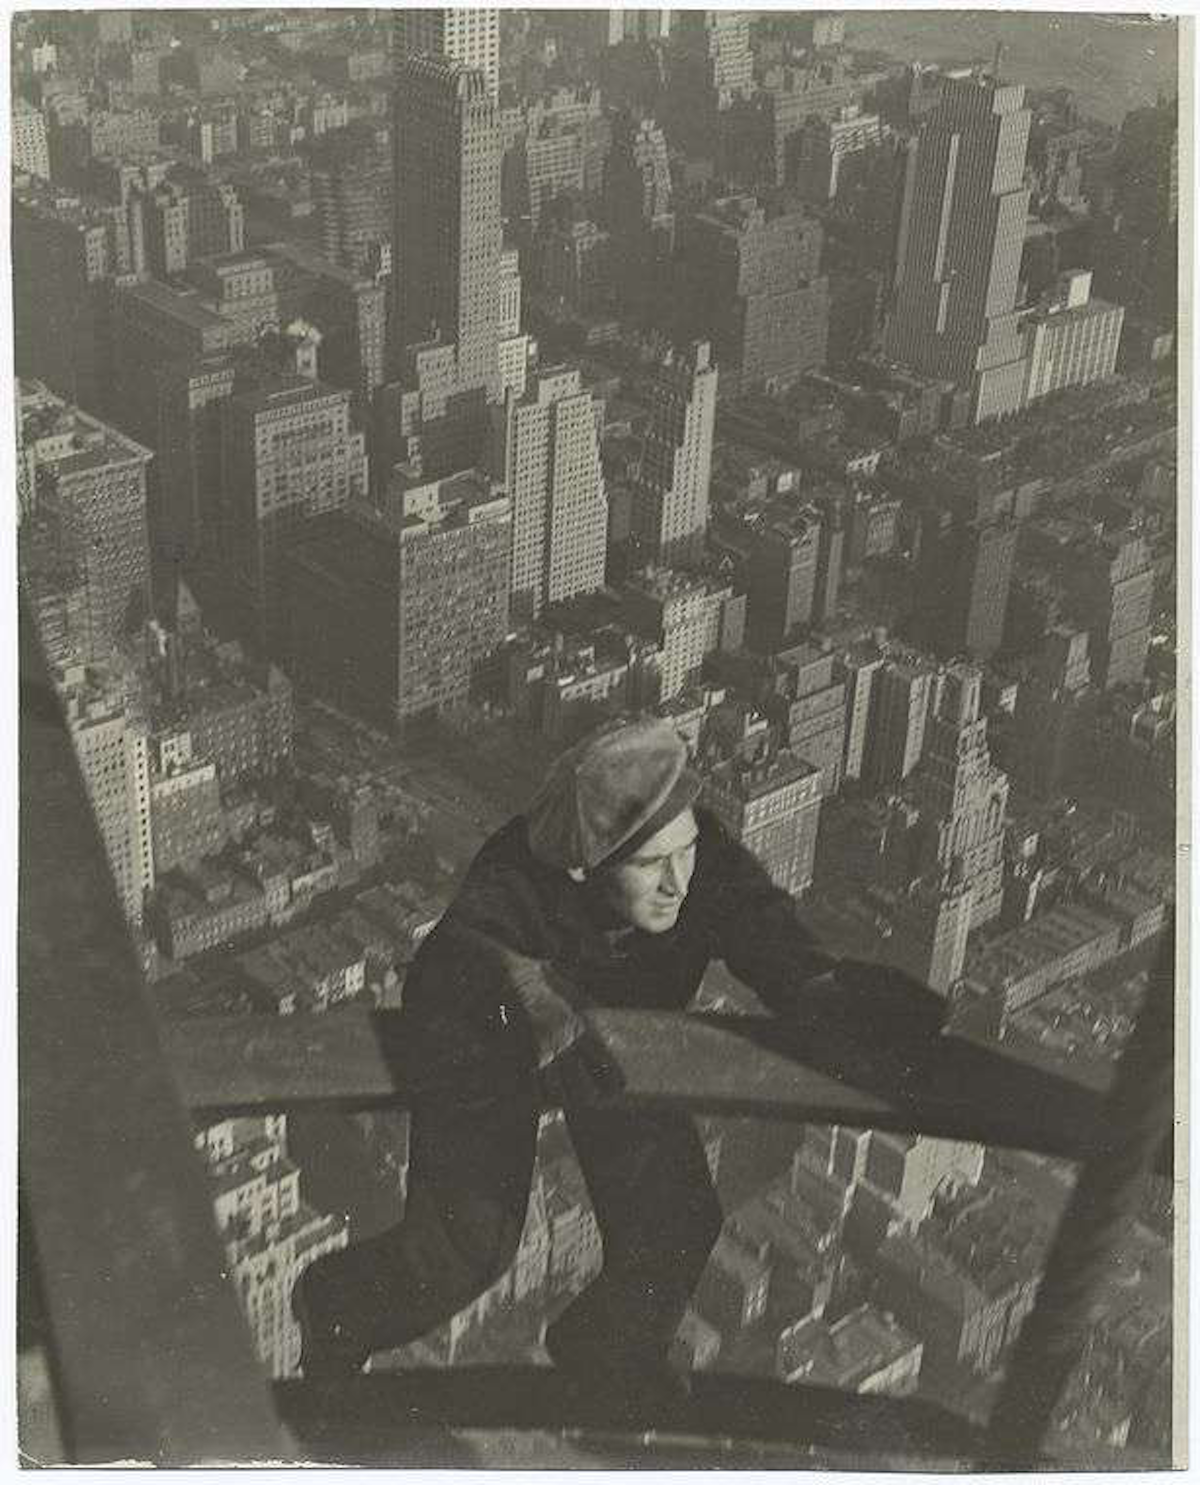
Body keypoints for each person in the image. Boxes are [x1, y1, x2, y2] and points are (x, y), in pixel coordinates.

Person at [291, 714, 945, 1396]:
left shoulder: (703, 854)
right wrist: (524, 988)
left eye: (683, 850)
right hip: (505, 1049)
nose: (677, 881)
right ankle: (335, 1306)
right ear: (587, 866)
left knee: (678, 1220)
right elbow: (456, 951)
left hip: (618, 1052)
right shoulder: (522, 871)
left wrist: (821, 990)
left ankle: (605, 1343)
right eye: (648, 863)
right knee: (466, 1251)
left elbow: (764, 927)